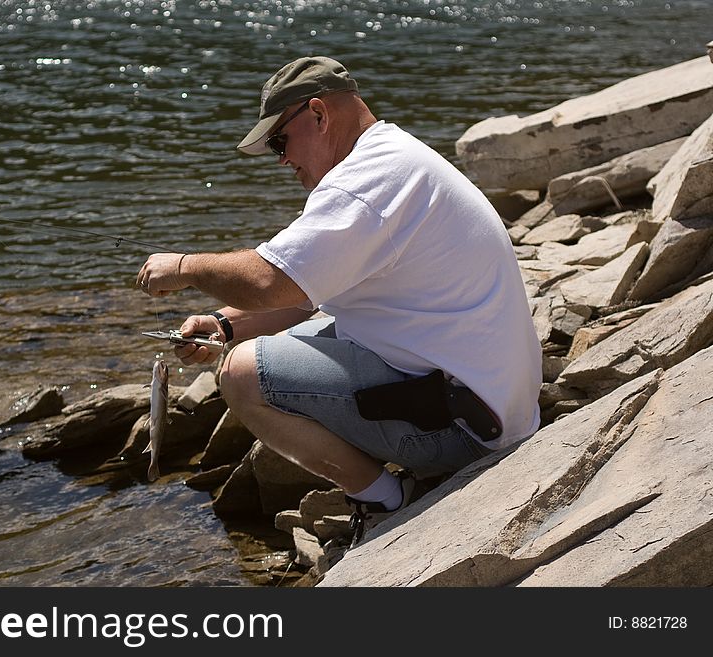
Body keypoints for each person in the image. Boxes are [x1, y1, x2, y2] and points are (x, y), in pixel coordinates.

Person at [137, 56, 542, 545]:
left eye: (279, 142)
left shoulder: (365, 185)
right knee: (248, 345)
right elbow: (310, 290)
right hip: (489, 401)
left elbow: (270, 282)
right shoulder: (391, 157)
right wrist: (224, 325)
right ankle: (390, 481)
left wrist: (183, 268)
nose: (282, 159)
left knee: (242, 375)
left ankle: (386, 500)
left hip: (470, 432)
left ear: (318, 114)